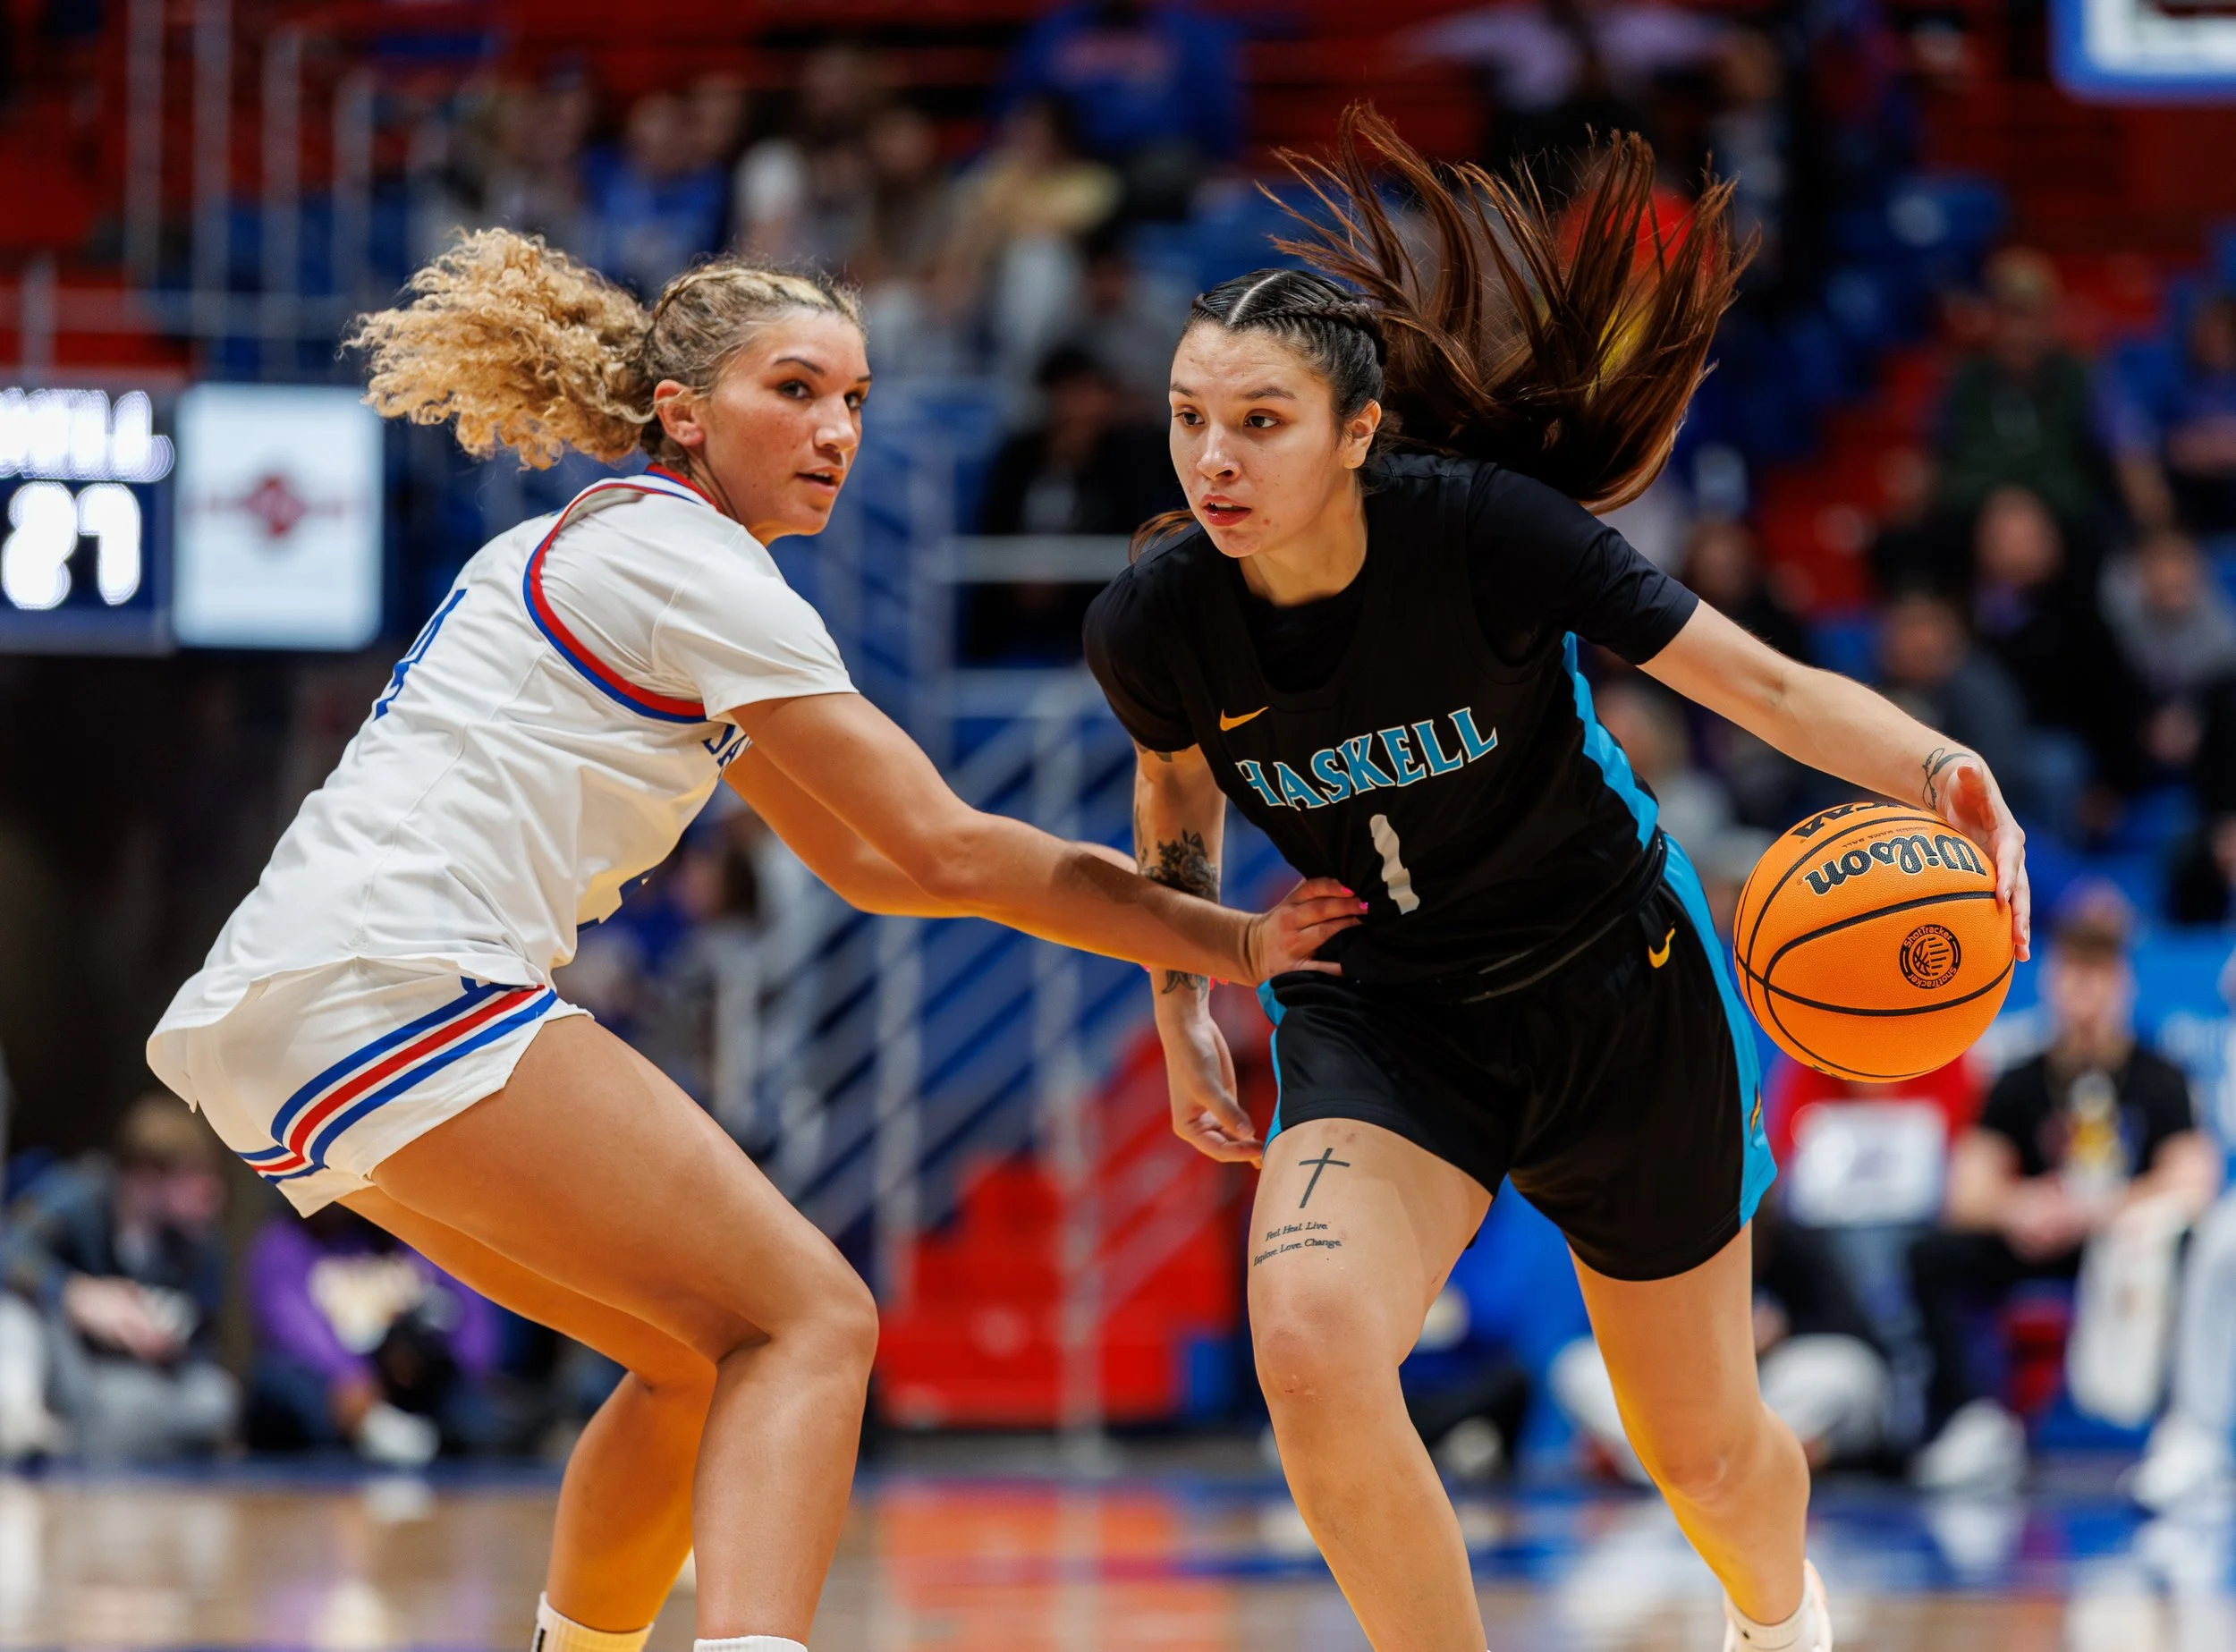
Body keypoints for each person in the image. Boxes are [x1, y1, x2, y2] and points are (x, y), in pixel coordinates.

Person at [146, 231, 1356, 1652]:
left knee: (690, 1357)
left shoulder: (590, 540)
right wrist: (1233, 943)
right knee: (814, 1319)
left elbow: (868, 862)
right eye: (796, 389)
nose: (836, 430)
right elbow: (941, 841)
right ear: (683, 410)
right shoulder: (689, 562)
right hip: (394, 980)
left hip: (293, 1012)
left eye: (855, 400)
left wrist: (1190, 951)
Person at [1082, 107, 2032, 1652]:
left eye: (1260, 420)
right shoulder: (1156, 620)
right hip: (1388, 1009)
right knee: (1313, 1349)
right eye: (1192, 416)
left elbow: (1767, 690)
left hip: (1619, 987)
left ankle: (1781, 1621)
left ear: (1357, 430)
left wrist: (1942, 773)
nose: (1212, 456)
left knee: (1709, 1456)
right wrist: (1183, 991)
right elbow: (1171, 798)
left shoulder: (1485, 535)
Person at [1908, 889, 2220, 1493]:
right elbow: (1967, 1188)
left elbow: (2191, 1180)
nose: (2086, 993)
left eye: (2099, 975)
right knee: (1934, 1253)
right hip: (2038, 1231)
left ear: (2123, 983)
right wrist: (2015, 1205)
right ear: (2052, 980)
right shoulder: (2021, 1077)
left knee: (2189, 1246)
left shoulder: (2160, 1076)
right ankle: (1971, 1420)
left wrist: (2100, 1210)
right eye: (2074, 973)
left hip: (2120, 1238)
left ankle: (2182, 1427)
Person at [0, 1095, 236, 1464]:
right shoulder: (84, 1194)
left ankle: (77, 1441)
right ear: (147, 1177)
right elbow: (9, 1249)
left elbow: (204, 1344)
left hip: (135, 1383)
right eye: (193, 1176)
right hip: (70, 1369)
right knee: (14, 1313)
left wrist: (167, 1342)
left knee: (215, 1398)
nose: (210, 1192)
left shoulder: (198, 1243)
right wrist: (76, 1294)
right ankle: (30, 1424)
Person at [244, 1203, 507, 1465]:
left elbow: (466, 1310)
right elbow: (293, 1326)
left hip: (420, 1384)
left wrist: (461, 1363)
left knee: (475, 1416)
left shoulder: (415, 1236)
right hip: (335, 1388)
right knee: (283, 1386)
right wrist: (350, 1375)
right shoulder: (284, 1244)